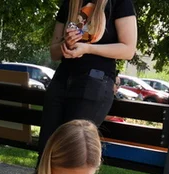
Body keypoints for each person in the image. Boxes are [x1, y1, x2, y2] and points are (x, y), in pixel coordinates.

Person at [39, 0, 138, 155]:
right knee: (46, 150)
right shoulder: (71, 3)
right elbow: (54, 52)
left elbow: (128, 49)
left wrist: (87, 48)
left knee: (70, 151)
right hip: (62, 79)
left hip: (94, 81)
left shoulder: (118, 3)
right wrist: (67, 44)